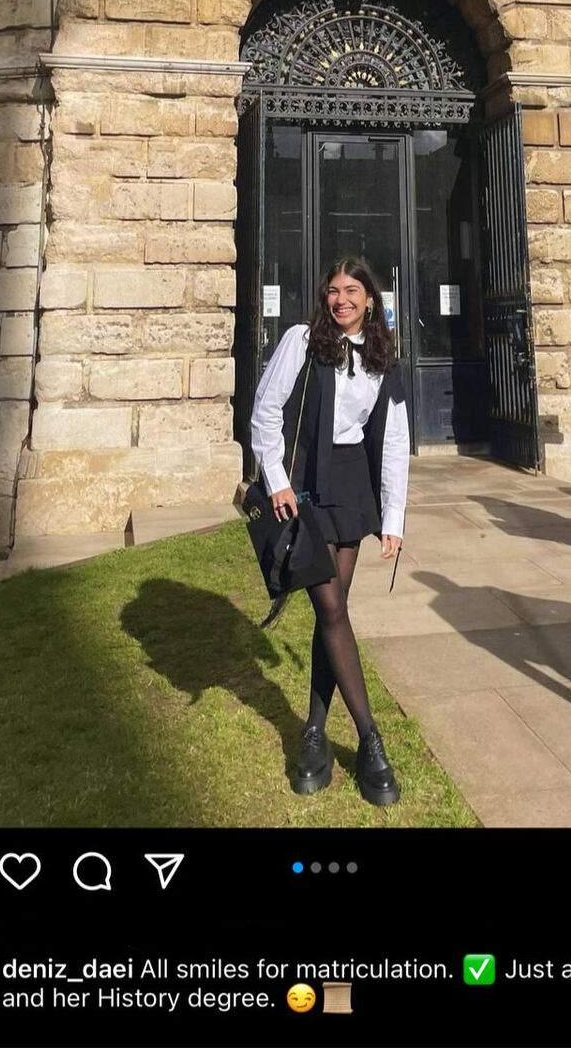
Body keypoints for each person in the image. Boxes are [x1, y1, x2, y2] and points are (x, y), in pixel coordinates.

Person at [250, 257, 410, 806]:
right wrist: (276, 480)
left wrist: (393, 518)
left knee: (330, 613)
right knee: (333, 609)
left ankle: (314, 734)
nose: (341, 300)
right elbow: (265, 410)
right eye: (333, 291)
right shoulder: (302, 340)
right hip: (305, 486)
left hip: (351, 486)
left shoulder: (383, 356)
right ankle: (370, 739)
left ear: (370, 298)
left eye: (352, 290)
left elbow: (393, 441)